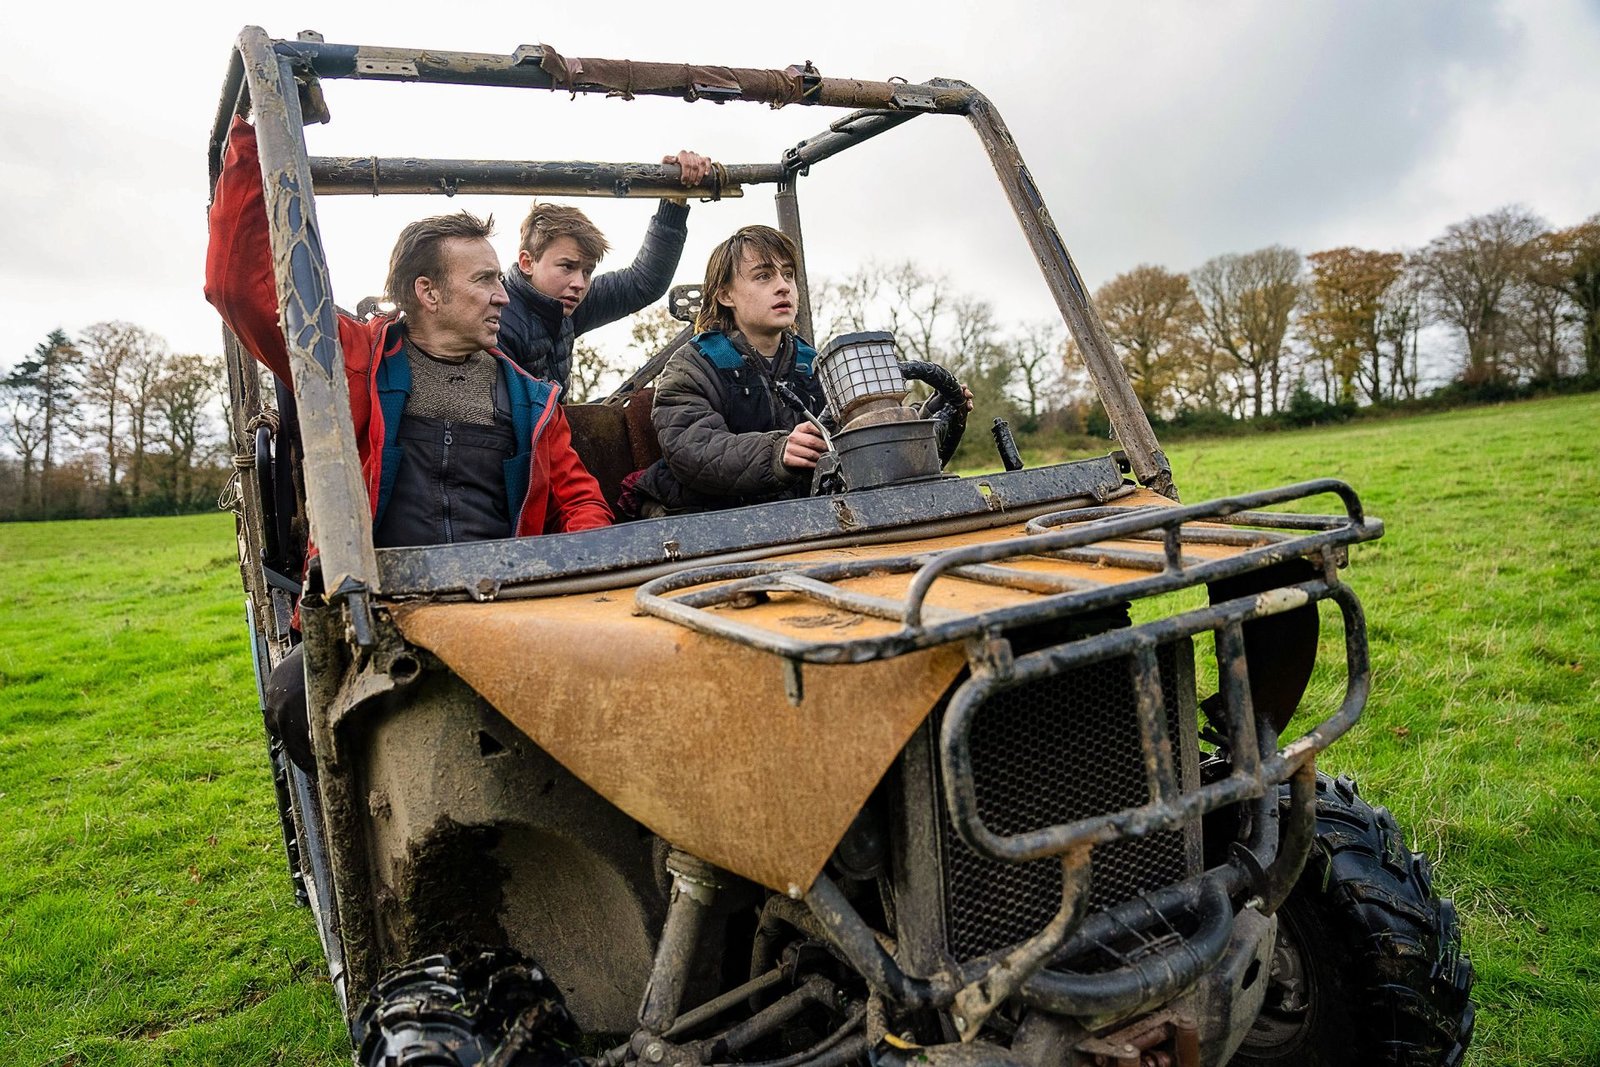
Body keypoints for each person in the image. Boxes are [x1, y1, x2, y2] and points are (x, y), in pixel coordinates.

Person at [204, 115, 613, 770]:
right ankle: (365, 834)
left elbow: (583, 505)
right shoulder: (353, 361)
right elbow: (239, 290)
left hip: (505, 613)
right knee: (292, 695)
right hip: (380, 615)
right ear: (427, 292)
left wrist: (567, 591)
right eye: (483, 280)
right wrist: (257, 141)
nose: (503, 295)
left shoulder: (532, 399)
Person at [624, 225, 830, 516]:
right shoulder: (694, 365)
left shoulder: (813, 364)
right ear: (725, 295)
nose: (783, 286)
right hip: (703, 518)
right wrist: (776, 453)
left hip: (794, 514)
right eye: (763, 276)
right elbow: (693, 449)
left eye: (787, 274)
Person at [495, 150, 713, 391]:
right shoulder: (495, 318)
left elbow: (643, 282)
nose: (579, 283)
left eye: (587, 271)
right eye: (567, 266)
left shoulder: (565, 308)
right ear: (527, 263)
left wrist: (674, 197)